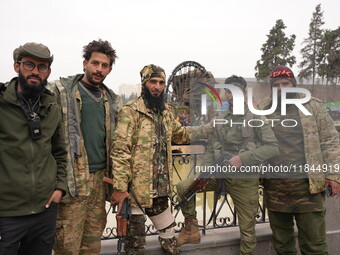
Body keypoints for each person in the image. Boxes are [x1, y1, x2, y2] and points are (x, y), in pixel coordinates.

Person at [111, 64, 211, 255]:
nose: (157, 86)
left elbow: (180, 134)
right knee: (135, 248)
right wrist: (121, 188)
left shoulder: (165, 114)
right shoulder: (130, 111)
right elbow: (120, 150)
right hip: (136, 193)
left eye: (161, 83)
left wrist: (209, 128)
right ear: (144, 83)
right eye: (153, 82)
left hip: (160, 190)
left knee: (170, 242)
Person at [175, 75, 279, 255]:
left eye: (236, 91)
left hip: (245, 180)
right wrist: (205, 171)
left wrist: (243, 158)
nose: (231, 95)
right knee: (185, 187)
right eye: (229, 91)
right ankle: (191, 230)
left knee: (247, 230)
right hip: (219, 173)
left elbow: (272, 147)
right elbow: (211, 146)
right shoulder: (221, 117)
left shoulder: (256, 116)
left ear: (245, 94)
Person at [50, 39, 121, 255]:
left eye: (104, 65)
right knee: (67, 245)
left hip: (101, 180)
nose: (99, 69)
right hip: (72, 180)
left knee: (92, 243)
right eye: (95, 63)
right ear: (85, 63)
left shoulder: (111, 99)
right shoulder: (61, 92)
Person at [261, 65, 340, 255]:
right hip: (275, 189)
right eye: (276, 85)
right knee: (282, 245)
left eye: (285, 83)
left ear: (294, 84)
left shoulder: (312, 106)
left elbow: (330, 141)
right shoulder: (262, 109)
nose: (281, 88)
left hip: (309, 188)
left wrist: (334, 174)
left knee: (314, 245)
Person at [0, 42, 67, 255]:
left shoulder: (52, 106)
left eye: (42, 67)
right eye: (29, 65)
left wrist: (59, 188)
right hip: (7, 213)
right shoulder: (3, 105)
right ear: (16, 66)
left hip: (44, 211)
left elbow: (60, 152)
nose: (35, 72)